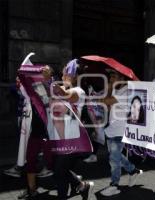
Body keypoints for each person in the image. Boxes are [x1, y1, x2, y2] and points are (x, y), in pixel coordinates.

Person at [44, 60, 94, 200]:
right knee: (56, 168)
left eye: (67, 72)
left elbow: (64, 93)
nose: (63, 74)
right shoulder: (59, 88)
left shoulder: (79, 91)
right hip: (58, 137)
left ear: (75, 76)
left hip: (72, 139)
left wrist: (49, 80)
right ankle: (82, 185)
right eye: (64, 71)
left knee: (59, 172)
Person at [99, 70, 143, 197]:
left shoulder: (127, 91)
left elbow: (106, 101)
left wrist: (109, 88)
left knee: (113, 159)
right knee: (116, 156)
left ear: (122, 77)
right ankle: (133, 170)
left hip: (121, 130)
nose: (111, 78)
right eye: (110, 76)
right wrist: (110, 89)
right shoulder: (115, 90)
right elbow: (104, 103)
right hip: (111, 128)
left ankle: (114, 185)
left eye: (114, 76)